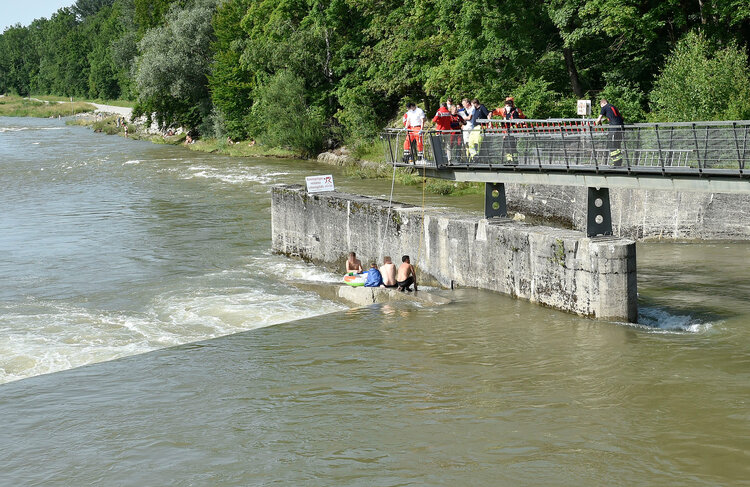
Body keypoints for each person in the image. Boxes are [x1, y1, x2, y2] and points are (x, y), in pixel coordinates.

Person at [492, 97, 526, 164]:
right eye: (506, 105)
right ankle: (509, 160)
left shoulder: (515, 111)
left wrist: (519, 122)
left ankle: (514, 159)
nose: (507, 106)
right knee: (507, 146)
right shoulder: (504, 112)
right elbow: (496, 111)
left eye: (508, 105)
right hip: (506, 131)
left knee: (512, 145)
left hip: (512, 130)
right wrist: (491, 112)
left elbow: (519, 118)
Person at [595, 98, 624, 167]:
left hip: (614, 128)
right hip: (621, 127)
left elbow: (598, 119)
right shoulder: (613, 106)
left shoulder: (604, 107)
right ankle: (619, 162)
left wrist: (597, 123)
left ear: (602, 104)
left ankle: (616, 163)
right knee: (618, 145)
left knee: (611, 144)